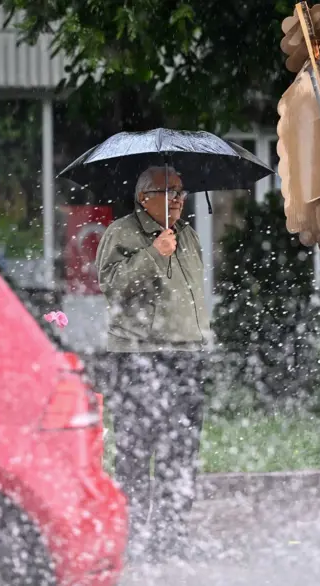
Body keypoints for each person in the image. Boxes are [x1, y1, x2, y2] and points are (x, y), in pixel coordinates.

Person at [95, 165, 211, 563]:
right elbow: (110, 286)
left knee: (181, 451)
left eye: (182, 191)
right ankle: (129, 533)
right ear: (145, 197)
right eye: (170, 191)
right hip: (140, 357)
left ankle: (170, 533)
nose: (179, 199)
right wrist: (152, 254)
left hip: (187, 358)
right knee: (135, 451)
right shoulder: (123, 233)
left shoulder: (188, 235)